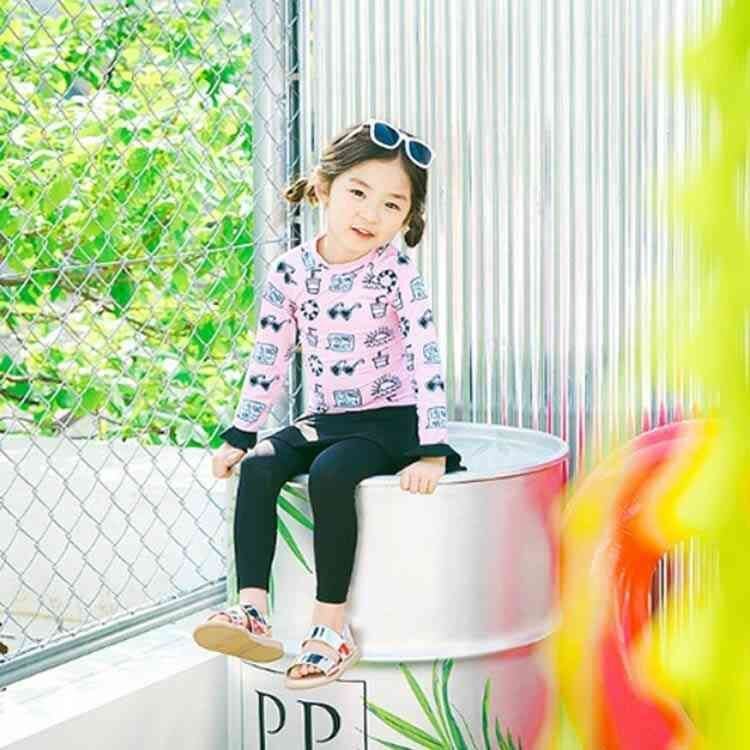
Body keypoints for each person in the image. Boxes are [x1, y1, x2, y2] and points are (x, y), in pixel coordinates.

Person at [192, 118, 467, 689]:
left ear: (407, 219)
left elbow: (426, 357)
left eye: (392, 205)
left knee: (331, 472)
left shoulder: (396, 273)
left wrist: (432, 450)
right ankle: (252, 610)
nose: (371, 214)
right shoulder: (291, 272)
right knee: (262, 465)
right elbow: (269, 355)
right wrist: (241, 434)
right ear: (323, 188)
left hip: (390, 422)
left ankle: (330, 629)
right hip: (327, 417)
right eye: (358, 193)